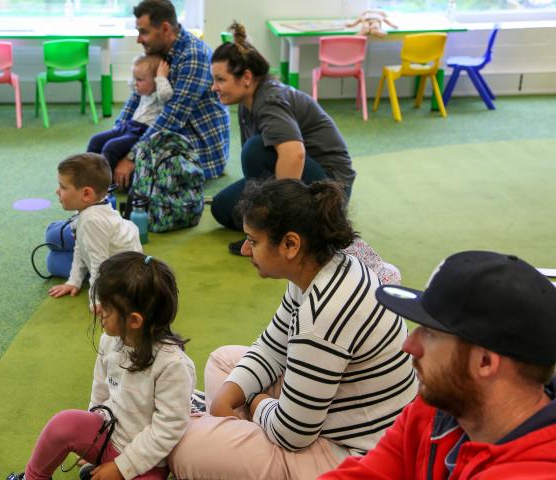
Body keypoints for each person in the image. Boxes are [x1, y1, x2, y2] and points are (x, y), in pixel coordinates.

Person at [168, 179, 417, 479]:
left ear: (290, 244)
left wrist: (256, 402)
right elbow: (273, 346)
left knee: (187, 449)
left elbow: (293, 435)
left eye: (254, 241)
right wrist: (228, 399)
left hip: (356, 457)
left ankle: (233, 438)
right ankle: (235, 436)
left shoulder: (321, 316)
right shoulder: (328, 268)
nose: (246, 250)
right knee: (223, 362)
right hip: (331, 418)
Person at [318, 250, 556, 480]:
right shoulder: (438, 409)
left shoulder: (535, 472)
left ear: (484, 362)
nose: (409, 344)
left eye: (430, 333)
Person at [8, 252, 197, 480]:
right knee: (63, 423)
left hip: (146, 461)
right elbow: (101, 392)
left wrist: (121, 468)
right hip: (108, 436)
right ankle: (32, 478)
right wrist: (92, 445)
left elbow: (168, 428)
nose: (97, 310)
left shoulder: (172, 365)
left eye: (106, 307)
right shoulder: (110, 341)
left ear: (134, 321)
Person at [209, 22, 355, 251]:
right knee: (221, 207)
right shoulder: (249, 103)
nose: (213, 87)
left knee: (255, 150)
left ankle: (285, 229)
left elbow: (294, 154)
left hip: (331, 188)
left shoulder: (269, 99)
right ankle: (292, 225)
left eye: (220, 79)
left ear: (246, 77)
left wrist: (271, 226)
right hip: (303, 175)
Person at [111, 0, 229, 188]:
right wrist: (117, 133)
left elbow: (173, 117)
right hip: (162, 133)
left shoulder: (194, 55)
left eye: (144, 32)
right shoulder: (157, 51)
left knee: (134, 178)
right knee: (108, 152)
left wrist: (132, 157)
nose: (138, 39)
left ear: (165, 28)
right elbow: (136, 96)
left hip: (196, 141)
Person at [48, 153, 142, 307]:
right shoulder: (87, 209)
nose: (57, 191)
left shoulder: (91, 221)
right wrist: (74, 281)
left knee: (53, 262)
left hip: (121, 274)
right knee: (53, 254)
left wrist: (97, 300)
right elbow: (80, 246)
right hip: (115, 258)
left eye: (63, 187)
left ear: (86, 194)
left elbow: (100, 263)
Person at [88, 54, 173, 172]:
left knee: (111, 147)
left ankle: (105, 184)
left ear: (156, 80)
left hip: (141, 131)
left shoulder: (159, 93)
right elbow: (131, 85)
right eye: (135, 78)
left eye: (139, 79)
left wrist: (161, 77)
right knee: (96, 140)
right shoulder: (142, 91)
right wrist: (136, 73)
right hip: (128, 126)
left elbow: (166, 95)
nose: (135, 83)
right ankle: (87, 174)